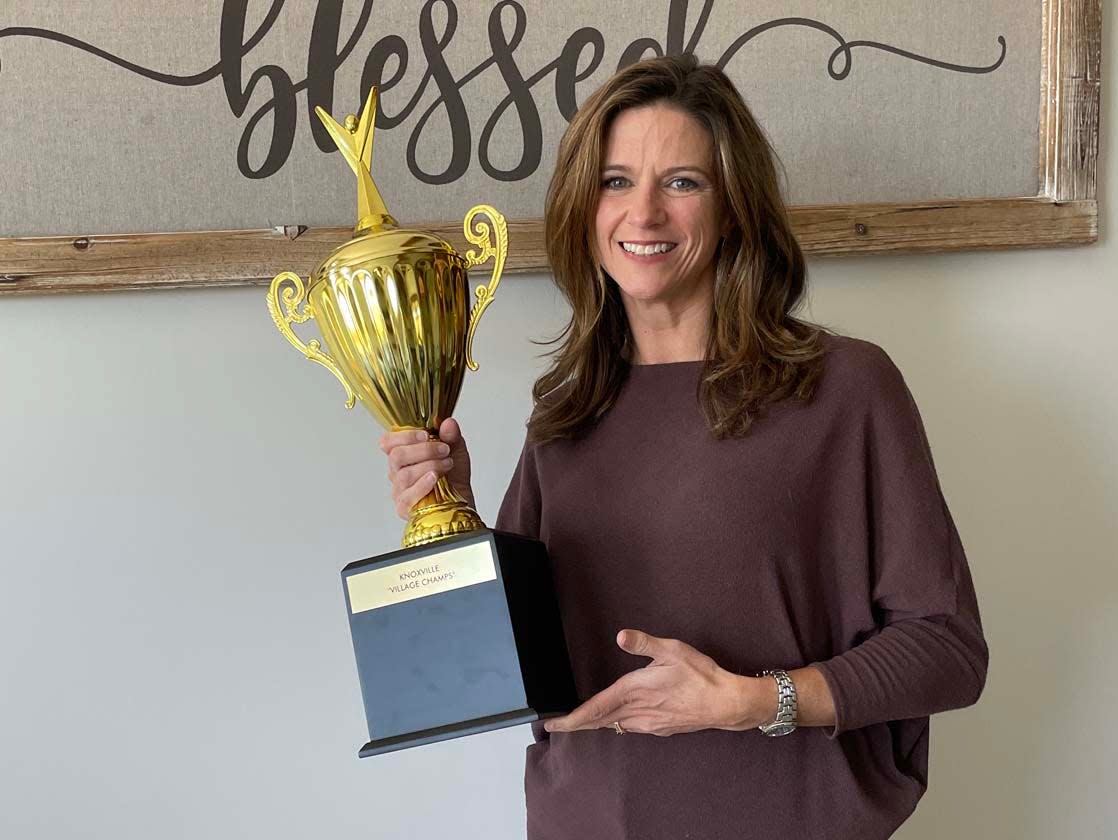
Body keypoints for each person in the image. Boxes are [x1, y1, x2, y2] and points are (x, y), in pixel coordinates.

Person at [379, 54, 987, 840]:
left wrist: (754, 701)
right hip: (585, 821)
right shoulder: (564, 414)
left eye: (682, 183)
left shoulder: (844, 389)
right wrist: (447, 514)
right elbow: (486, 675)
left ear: (732, 206)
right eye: (616, 181)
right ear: (582, 207)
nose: (644, 215)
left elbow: (948, 650)